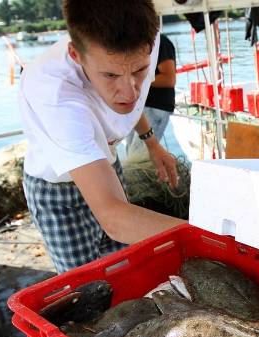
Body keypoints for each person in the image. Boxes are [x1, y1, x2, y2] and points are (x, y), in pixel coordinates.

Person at [20, 0, 185, 274]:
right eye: (110, 75)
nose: (130, 92)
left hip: (107, 163)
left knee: (128, 268)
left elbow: (130, 105)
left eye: (140, 71)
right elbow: (114, 218)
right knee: (88, 284)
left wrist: (151, 142)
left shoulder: (147, 37)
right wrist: (209, 237)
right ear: (76, 55)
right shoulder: (55, 95)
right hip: (58, 188)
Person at [123, 33, 176, 160]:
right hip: (136, 107)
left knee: (138, 158)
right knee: (131, 154)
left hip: (155, 106)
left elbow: (169, 79)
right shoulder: (132, 43)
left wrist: (134, 80)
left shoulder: (161, 42)